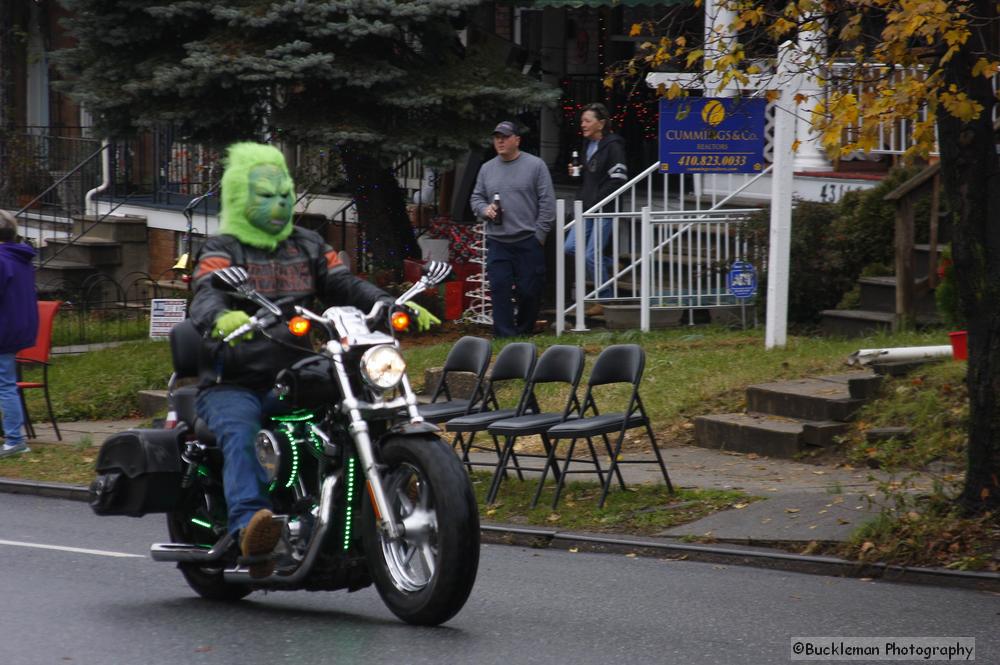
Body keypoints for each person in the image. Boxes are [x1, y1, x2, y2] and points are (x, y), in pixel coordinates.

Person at [189, 142, 438, 577]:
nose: (279, 202)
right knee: (241, 430)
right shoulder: (221, 248)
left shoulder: (307, 243)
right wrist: (222, 316)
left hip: (296, 372)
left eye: (284, 193)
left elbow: (344, 283)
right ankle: (252, 527)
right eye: (266, 195)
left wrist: (390, 303)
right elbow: (205, 291)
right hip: (236, 379)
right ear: (241, 197)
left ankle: (352, 514)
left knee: (350, 414)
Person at [470, 120, 556, 337]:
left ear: (517, 140)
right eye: (497, 137)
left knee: (529, 291)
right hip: (498, 240)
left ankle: (525, 331)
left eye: (505, 137)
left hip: (528, 239)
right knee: (499, 288)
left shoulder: (535, 166)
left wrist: (539, 235)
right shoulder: (487, 169)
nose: (500, 141)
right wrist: (484, 209)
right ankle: (505, 335)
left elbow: (547, 203)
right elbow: (476, 197)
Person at [565, 103, 628, 311]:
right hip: (586, 206)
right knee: (570, 247)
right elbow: (593, 174)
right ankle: (611, 264)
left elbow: (618, 178)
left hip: (605, 208)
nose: (582, 125)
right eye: (582, 121)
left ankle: (605, 299)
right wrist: (579, 170)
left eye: (587, 121)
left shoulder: (614, 146)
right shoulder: (587, 145)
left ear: (601, 124)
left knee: (591, 255)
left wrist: (598, 200)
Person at [0, 211, 38, 458]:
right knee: (7, 384)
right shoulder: (19, 257)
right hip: (15, 327)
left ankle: (14, 439)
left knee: (6, 386)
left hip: (3, 329)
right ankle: (14, 438)